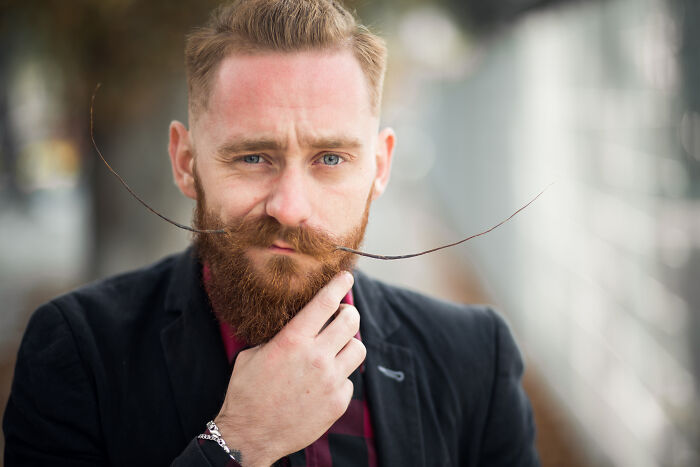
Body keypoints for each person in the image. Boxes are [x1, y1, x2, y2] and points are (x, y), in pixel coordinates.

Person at [3, 1, 539, 466]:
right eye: (253, 156)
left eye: (330, 158)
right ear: (186, 162)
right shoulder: (75, 353)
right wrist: (237, 443)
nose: (289, 207)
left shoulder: (475, 360)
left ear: (379, 167)